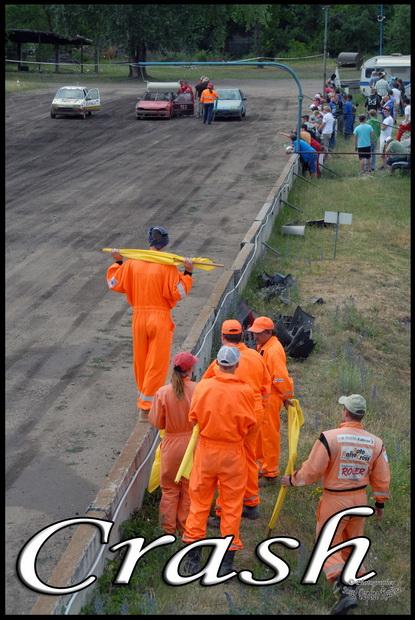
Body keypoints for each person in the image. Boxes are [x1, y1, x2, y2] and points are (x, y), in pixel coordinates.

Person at [281, 394, 390, 616]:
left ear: (345, 412)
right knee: (351, 546)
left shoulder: (330, 438)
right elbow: (382, 478)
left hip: (335, 500)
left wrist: (292, 480)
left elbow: (313, 470)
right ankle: (352, 586)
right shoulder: (376, 443)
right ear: (362, 415)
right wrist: (380, 504)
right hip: (360, 500)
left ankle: (343, 591)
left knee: (327, 545)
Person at [182, 346, 256, 575]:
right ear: (236, 365)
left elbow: (193, 417)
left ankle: (193, 559)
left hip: (206, 451)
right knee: (232, 506)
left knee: (199, 503)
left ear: (217, 363)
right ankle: (226, 563)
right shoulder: (246, 391)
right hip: (233, 454)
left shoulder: (203, 387)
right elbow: (251, 425)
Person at [107, 227, 193, 421]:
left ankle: (143, 398)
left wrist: (118, 261)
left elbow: (113, 283)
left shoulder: (132, 263)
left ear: (149, 241)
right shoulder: (167, 266)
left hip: (139, 318)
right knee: (157, 363)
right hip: (159, 318)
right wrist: (188, 273)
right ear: (165, 243)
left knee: (141, 361)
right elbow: (178, 292)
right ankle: (146, 408)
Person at [203, 319, 271, 520]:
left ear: (222, 337)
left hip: (232, 415)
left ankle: (223, 510)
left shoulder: (220, 363)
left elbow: (205, 387)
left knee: (227, 462)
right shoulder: (256, 357)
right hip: (255, 412)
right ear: (242, 335)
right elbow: (266, 387)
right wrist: (260, 408)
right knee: (249, 456)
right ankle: (250, 503)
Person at [148, 352, 198, 535]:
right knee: (188, 489)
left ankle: (167, 530)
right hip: (192, 445)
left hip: (171, 444)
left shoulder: (162, 392)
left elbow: (157, 422)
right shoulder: (198, 390)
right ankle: (186, 529)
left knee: (169, 489)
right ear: (191, 370)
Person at [247, 316, 294, 485]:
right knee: (262, 435)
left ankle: (270, 472)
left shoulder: (273, 350)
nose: (254, 336)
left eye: (258, 333)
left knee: (269, 436)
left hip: (271, 398)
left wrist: (287, 397)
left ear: (268, 332)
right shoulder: (265, 346)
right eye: (254, 333)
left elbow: (280, 377)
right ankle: (262, 466)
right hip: (265, 398)